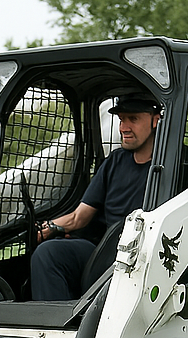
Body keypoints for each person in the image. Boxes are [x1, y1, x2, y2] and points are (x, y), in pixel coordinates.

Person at [30, 94, 161, 301]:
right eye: (121, 120)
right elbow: (78, 218)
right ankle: (55, 327)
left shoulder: (177, 165)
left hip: (147, 254)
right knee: (48, 253)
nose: (124, 128)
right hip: (105, 249)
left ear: (156, 120)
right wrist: (48, 227)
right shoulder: (114, 162)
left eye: (133, 119)